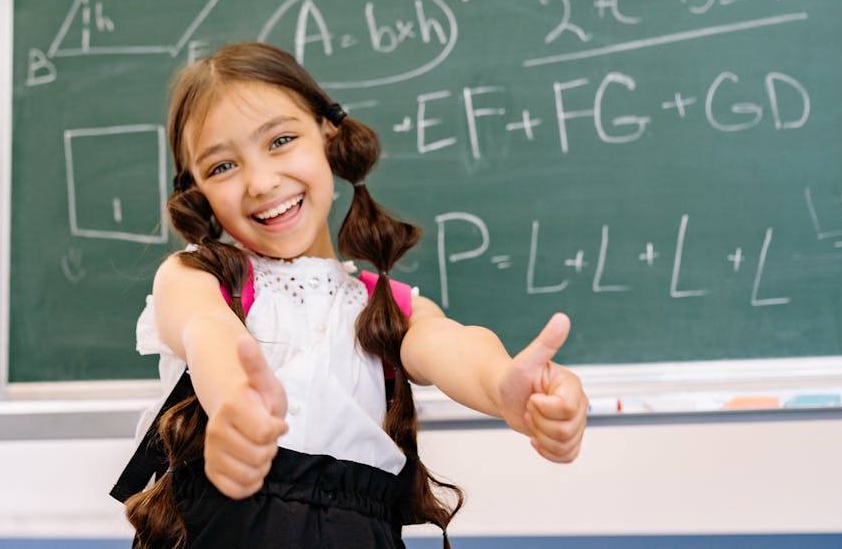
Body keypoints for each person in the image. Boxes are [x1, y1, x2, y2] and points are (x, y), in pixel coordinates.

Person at [112, 42, 589, 549]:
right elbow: (208, 331)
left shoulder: (382, 307)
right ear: (196, 191)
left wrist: (501, 386)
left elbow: (450, 344)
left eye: (280, 140)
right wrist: (235, 401)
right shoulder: (198, 277)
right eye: (222, 167)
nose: (261, 181)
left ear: (328, 134)